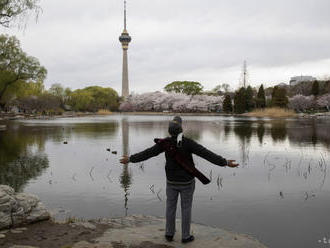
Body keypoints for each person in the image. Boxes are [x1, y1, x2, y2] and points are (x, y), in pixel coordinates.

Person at [120, 116, 239, 243]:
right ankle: (185, 236)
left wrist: (131, 159)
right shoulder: (188, 143)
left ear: (169, 131)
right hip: (187, 182)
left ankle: (169, 234)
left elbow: (148, 153)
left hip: (171, 182)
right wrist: (225, 162)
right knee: (186, 208)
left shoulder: (164, 143)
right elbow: (207, 154)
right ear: (181, 129)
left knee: (170, 207)